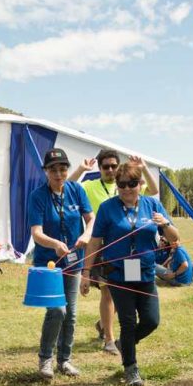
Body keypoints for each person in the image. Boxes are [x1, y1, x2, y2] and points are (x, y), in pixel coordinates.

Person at [81, 161, 180, 386]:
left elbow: (174, 237)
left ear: (140, 184)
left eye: (132, 184)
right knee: (127, 321)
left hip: (145, 273)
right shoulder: (107, 208)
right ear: (117, 185)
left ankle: (125, 344)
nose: (127, 189)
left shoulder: (152, 205)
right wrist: (86, 272)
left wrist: (165, 224)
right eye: (122, 184)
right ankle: (131, 369)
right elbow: (95, 241)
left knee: (151, 321)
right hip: (118, 274)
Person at [69, 150, 159, 355]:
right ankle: (110, 338)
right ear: (99, 169)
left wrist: (143, 167)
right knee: (108, 292)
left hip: (129, 249)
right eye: (105, 166)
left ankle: (104, 324)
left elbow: (153, 191)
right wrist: (81, 171)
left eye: (113, 166)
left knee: (121, 294)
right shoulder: (90, 186)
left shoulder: (129, 183)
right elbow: (69, 187)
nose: (110, 169)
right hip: (101, 245)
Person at [29, 148, 94, 379]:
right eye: (53, 169)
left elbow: (91, 218)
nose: (59, 173)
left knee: (72, 314)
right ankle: (45, 359)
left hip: (74, 260)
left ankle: (64, 360)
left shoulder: (76, 189)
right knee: (57, 310)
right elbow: (36, 233)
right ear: (45, 171)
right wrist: (55, 243)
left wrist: (87, 234)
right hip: (49, 263)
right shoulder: (38, 196)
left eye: (63, 168)